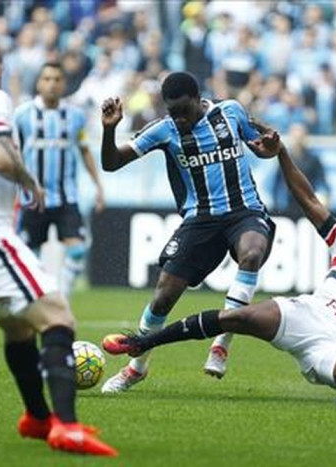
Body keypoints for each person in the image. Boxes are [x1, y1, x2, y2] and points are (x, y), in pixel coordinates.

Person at [102, 127, 336, 406]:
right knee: (235, 317)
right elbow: (308, 198)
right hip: (306, 313)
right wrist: (283, 152)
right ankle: (141, 343)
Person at [0, 36, 116, 456]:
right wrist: (30, 182)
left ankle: (37, 419)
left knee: (18, 328)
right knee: (58, 317)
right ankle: (67, 425)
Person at [99, 71, 281, 393]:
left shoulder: (231, 112)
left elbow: (263, 148)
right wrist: (108, 130)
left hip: (245, 211)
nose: (180, 118)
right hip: (199, 220)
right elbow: (111, 163)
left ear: (199, 99)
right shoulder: (164, 130)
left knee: (251, 253)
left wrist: (270, 146)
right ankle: (136, 368)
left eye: (185, 109)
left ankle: (221, 344)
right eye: (173, 111)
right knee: (164, 296)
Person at [13, 62, 105, 299]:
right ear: (38, 83)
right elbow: (13, 154)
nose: (52, 84)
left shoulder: (75, 116)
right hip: (33, 197)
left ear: (64, 84)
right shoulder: (23, 115)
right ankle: (37, 297)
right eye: (47, 79)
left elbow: (84, 151)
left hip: (67, 196)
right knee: (30, 254)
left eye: (56, 79)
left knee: (77, 250)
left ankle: (61, 297)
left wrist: (98, 186)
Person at [272, 123, 328, 217]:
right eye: (295, 135)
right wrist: (276, 204)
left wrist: (325, 195)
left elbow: (322, 181)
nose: (298, 138)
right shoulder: (285, 159)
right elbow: (277, 183)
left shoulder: (313, 160)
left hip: (310, 202)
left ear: (305, 137)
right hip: (291, 202)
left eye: (300, 135)